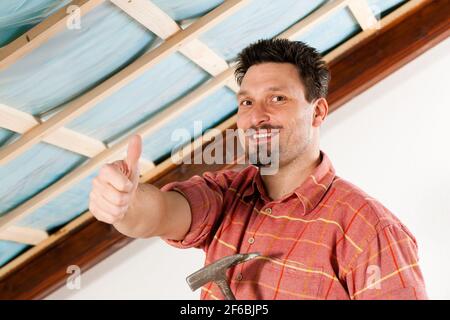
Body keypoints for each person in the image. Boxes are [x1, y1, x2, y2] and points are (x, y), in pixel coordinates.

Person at [88, 39, 427, 300]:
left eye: (277, 98)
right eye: (246, 102)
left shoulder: (369, 230)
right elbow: (161, 212)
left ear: (318, 112)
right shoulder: (226, 194)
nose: (256, 116)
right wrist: (125, 204)